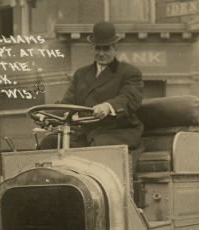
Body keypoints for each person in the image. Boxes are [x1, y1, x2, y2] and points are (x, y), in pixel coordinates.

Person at [39, 21, 144, 168]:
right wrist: (46, 115)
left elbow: (130, 98)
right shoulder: (81, 74)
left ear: (115, 48)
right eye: (98, 48)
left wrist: (108, 106)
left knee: (96, 148)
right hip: (85, 134)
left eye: (106, 48)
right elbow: (68, 103)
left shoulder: (128, 72)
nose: (101, 53)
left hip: (116, 132)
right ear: (92, 48)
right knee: (49, 142)